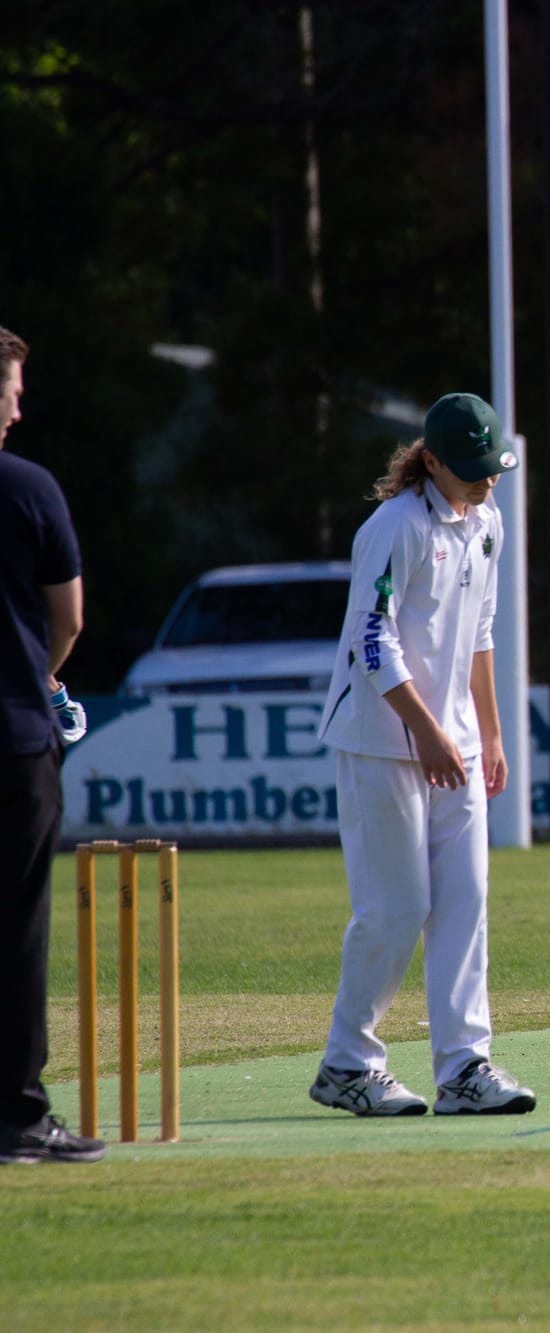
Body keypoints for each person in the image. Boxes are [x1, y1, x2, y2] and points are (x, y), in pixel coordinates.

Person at [309, 392, 536, 1117]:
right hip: (381, 741)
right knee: (397, 906)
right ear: (430, 460)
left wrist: (488, 733)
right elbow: (372, 642)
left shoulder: (488, 522)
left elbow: (481, 632)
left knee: (465, 902)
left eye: (492, 467)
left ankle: (465, 1066)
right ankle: (349, 1062)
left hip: (457, 744)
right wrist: (428, 732)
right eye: (469, 469)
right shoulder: (394, 527)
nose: (485, 481)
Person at [0, 325, 102, 1163]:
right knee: (16, 928)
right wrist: (40, 670)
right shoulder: (28, 489)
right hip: (12, 738)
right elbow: (66, 616)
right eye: (13, 389)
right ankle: (20, 1114)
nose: (20, 405)